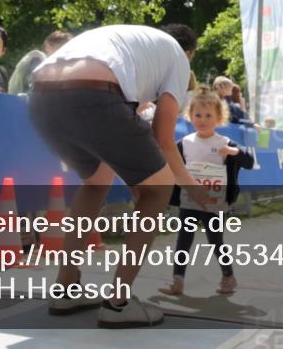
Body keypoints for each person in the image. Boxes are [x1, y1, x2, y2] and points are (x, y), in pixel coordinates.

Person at [26, 23, 211, 327]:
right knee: (159, 190)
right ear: (188, 52)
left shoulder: (135, 44)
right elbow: (163, 139)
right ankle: (118, 302)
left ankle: (66, 287)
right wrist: (193, 188)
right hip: (93, 94)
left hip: (40, 98)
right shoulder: (178, 58)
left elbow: (125, 134)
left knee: (97, 180)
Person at [158, 86, 254, 296]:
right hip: (190, 201)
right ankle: (177, 281)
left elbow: (249, 161)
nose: (202, 119)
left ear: (218, 117)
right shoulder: (184, 143)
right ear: (190, 116)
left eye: (208, 115)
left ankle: (228, 276)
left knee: (216, 240)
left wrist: (234, 152)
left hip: (214, 203)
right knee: (183, 239)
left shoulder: (224, 143)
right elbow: (171, 166)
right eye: (198, 115)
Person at [8, 30, 72, 94]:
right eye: (59, 47)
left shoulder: (57, 66)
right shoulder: (36, 61)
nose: (63, 52)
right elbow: (29, 91)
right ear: (47, 46)